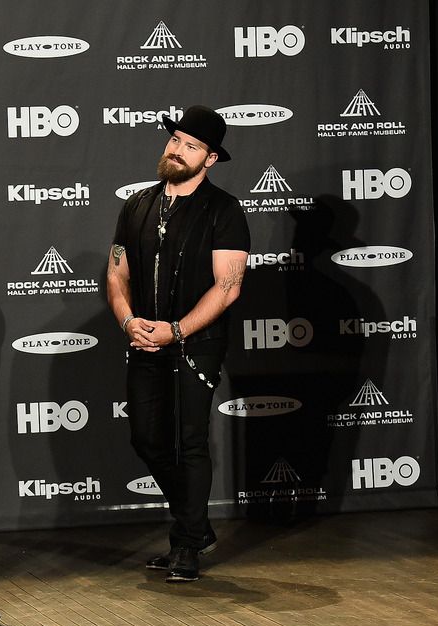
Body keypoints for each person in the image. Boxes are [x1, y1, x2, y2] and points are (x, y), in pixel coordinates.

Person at [106, 105, 250, 582]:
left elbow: (228, 286)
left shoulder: (224, 210)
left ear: (209, 159)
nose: (177, 149)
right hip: (145, 340)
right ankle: (197, 522)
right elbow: (117, 272)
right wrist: (129, 322)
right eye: (176, 139)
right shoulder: (137, 206)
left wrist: (178, 330)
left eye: (191, 146)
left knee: (189, 440)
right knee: (145, 436)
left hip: (196, 342)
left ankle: (186, 543)